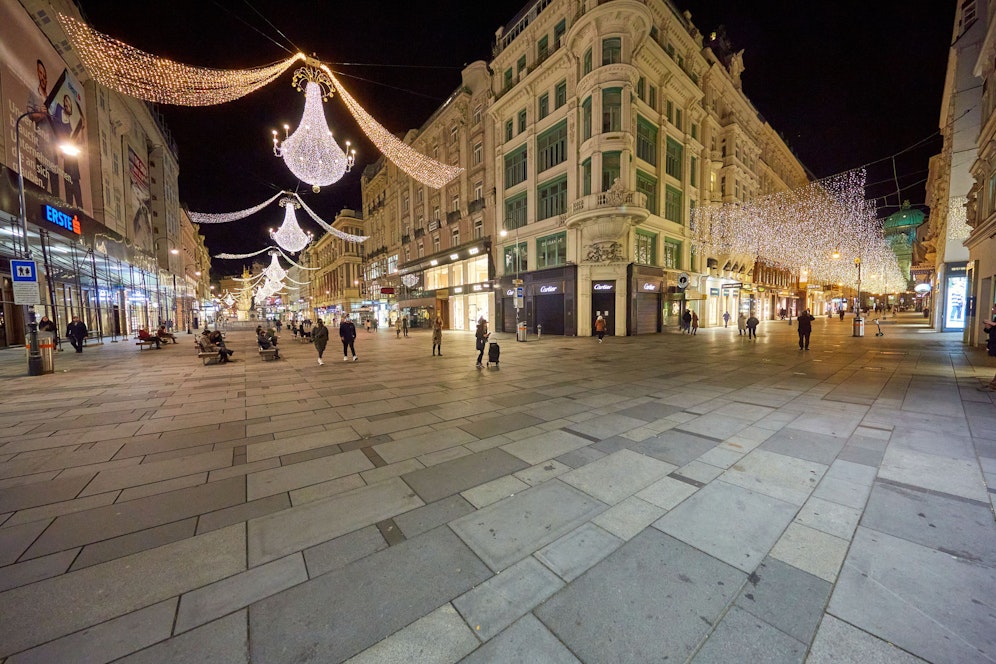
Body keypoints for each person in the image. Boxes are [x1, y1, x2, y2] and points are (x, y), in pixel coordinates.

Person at [980, 319, 996, 391]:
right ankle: (993, 384)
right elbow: (990, 330)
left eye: (994, 308)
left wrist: (992, 323)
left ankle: (993, 385)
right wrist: (988, 327)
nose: (993, 310)